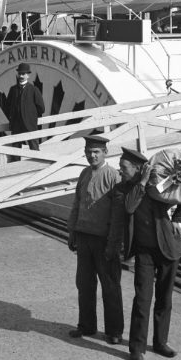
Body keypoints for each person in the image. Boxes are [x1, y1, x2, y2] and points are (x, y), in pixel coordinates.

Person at [116, 147, 181, 360]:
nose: (120, 171)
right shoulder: (124, 189)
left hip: (168, 248)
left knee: (164, 298)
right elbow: (130, 207)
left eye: (123, 167)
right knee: (142, 299)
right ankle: (136, 348)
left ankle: (160, 342)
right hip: (144, 251)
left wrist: (178, 219)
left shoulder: (160, 184)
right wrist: (141, 183)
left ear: (137, 168)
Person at [66, 133, 124, 344]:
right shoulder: (84, 174)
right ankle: (87, 326)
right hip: (83, 238)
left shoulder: (112, 176)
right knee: (84, 284)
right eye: (89, 152)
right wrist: (72, 230)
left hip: (104, 240)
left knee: (110, 286)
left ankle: (114, 332)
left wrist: (115, 243)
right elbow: (76, 203)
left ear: (105, 153)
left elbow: (119, 214)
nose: (92, 156)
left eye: (96, 152)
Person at [5, 63, 45, 155]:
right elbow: (7, 107)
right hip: (16, 126)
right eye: (20, 74)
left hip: (30, 125)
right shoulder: (13, 90)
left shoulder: (34, 90)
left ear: (28, 75)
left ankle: (38, 167)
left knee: (34, 150)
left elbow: (41, 108)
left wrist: (31, 116)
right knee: (15, 153)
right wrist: (12, 118)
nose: (21, 76)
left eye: (23, 74)